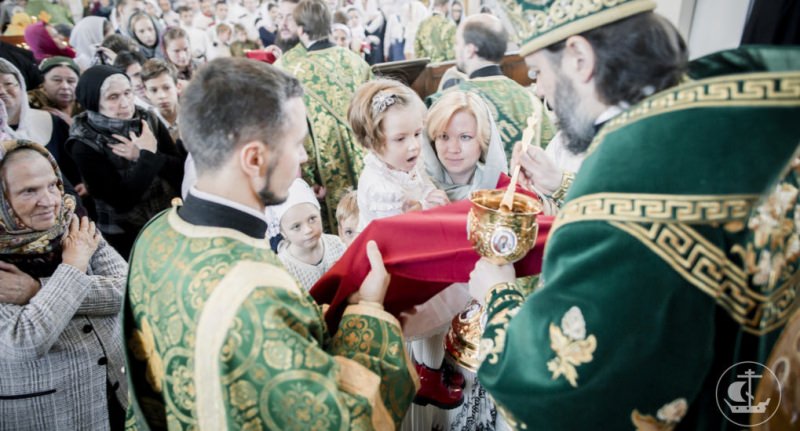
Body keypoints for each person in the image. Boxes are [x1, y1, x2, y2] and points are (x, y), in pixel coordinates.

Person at [467, 1, 800, 429]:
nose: (539, 91)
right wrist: (564, 187)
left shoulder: (619, 182)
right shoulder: (714, 98)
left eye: (537, 72)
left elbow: (558, 383)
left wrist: (498, 296)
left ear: (579, 58)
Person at [123, 57, 418, 429]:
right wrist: (371, 310)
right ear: (254, 158)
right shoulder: (255, 295)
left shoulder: (156, 233)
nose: (304, 157)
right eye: (296, 144)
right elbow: (343, 420)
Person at [0, 140, 128, 431]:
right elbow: (25, 339)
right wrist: (74, 265)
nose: (49, 200)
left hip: (116, 391)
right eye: (28, 191)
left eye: (53, 185)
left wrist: (38, 289)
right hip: (50, 411)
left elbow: (126, 288)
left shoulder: (71, 221)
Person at [67, 65, 184, 258]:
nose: (125, 103)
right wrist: (147, 155)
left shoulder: (147, 118)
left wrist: (140, 155)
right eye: (113, 97)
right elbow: (120, 201)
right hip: (124, 234)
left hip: (166, 218)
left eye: (128, 93)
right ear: (94, 101)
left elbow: (179, 170)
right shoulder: (83, 142)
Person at [278, 0, 371, 231]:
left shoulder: (290, 70)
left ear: (301, 29)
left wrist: (307, 180)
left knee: (338, 231)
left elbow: (298, 131)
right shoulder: (356, 61)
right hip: (367, 164)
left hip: (325, 173)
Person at [428, 13, 555, 162]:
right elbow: (550, 154)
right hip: (525, 184)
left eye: (457, 43)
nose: (455, 49)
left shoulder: (446, 102)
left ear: (470, 50)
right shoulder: (531, 100)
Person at [0, 59, 81, 191]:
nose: (2, 91)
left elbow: (71, 168)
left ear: (21, 86)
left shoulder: (49, 120)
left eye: (9, 83)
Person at [275, 178, 346, 290]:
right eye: (296, 226)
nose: (308, 230)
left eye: (312, 219)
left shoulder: (338, 244)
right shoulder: (283, 267)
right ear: (283, 233)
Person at [27, 56, 83, 125]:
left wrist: (70, 123)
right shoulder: (28, 103)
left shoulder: (86, 102)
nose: (65, 86)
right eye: (57, 80)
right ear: (43, 82)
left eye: (71, 81)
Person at [141, 58, 180, 142]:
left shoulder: (194, 114)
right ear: (146, 93)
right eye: (153, 90)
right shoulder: (146, 127)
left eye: (166, 88)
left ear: (177, 87)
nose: (161, 96)